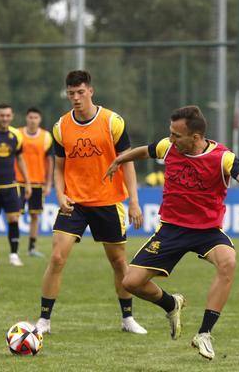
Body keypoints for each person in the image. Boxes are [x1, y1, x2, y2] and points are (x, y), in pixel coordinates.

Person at [104, 105, 239, 360]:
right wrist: (121, 159)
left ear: (195, 138)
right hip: (171, 230)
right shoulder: (168, 147)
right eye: (170, 133)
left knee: (228, 261)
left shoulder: (222, 157)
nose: (170, 139)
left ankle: (204, 333)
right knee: (130, 283)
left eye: (176, 135)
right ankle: (171, 304)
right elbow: (146, 151)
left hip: (207, 231)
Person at [35, 70, 147, 335]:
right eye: (71, 93)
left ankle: (127, 318)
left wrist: (134, 202)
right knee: (57, 257)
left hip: (108, 202)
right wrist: (60, 195)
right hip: (74, 202)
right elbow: (59, 167)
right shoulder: (61, 126)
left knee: (119, 263)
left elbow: (127, 162)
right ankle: (44, 320)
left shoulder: (112, 122)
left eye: (80, 92)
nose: (75, 98)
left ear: (91, 91)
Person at [0, 104, 32, 267]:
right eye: (2, 115)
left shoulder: (16, 134)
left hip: (11, 185)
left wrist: (28, 182)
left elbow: (20, 158)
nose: (5, 118)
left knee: (13, 219)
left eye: (8, 115)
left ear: (12, 116)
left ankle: (14, 255)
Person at [15, 107, 54, 257]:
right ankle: (15, 247)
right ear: (26, 118)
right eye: (30, 117)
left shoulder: (46, 137)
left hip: (38, 182)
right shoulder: (17, 134)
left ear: (40, 119)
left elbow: (50, 161)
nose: (33, 120)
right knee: (16, 215)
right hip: (19, 181)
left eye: (35, 118)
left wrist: (48, 183)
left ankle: (32, 248)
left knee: (35, 215)